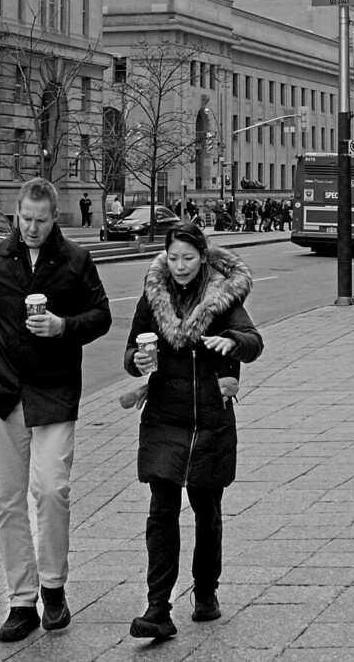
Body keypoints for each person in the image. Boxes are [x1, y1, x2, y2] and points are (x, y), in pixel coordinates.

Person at [0, 178, 111, 643]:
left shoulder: (74, 260)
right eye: (25, 219)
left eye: (40, 220)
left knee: (51, 489)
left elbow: (102, 314)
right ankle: (21, 600)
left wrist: (63, 326)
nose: (31, 227)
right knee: (7, 499)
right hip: (4, 391)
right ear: (16, 215)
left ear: (54, 217)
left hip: (55, 390)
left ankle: (54, 588)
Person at [123, 221, 263, 640]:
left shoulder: (221, 294)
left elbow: (253, 340)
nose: (180, 266)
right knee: (161, 511)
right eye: (173, 257)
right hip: (165, 414)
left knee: (207, 508)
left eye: (188, 257)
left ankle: (205, 591)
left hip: (209, 420)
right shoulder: (155, 295)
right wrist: (139, 362)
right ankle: (157, 608)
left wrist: (232, 342)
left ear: (203, 257)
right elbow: (131, 351)